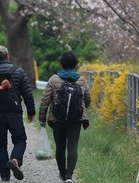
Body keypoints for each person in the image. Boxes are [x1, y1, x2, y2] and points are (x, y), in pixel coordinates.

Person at [0, 45, 36, 182]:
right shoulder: (18, 72)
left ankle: (5, 177)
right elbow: (27, 93)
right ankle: (15, 159)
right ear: (8, 56)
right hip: (14, 113)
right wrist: (31, 111)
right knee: (20, 139)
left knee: (0, 145)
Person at [38, 51, 91, 183]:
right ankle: (69, 176)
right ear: (76, 65)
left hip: (58, 119)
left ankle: (62, 174)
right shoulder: (81, 80)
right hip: (76, 119)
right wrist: (80, 109)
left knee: (60, 147)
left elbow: (45, 100)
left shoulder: (54, 79)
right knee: (72, 147)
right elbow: (88, 99)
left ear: (61, 64)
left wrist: (42, 118)